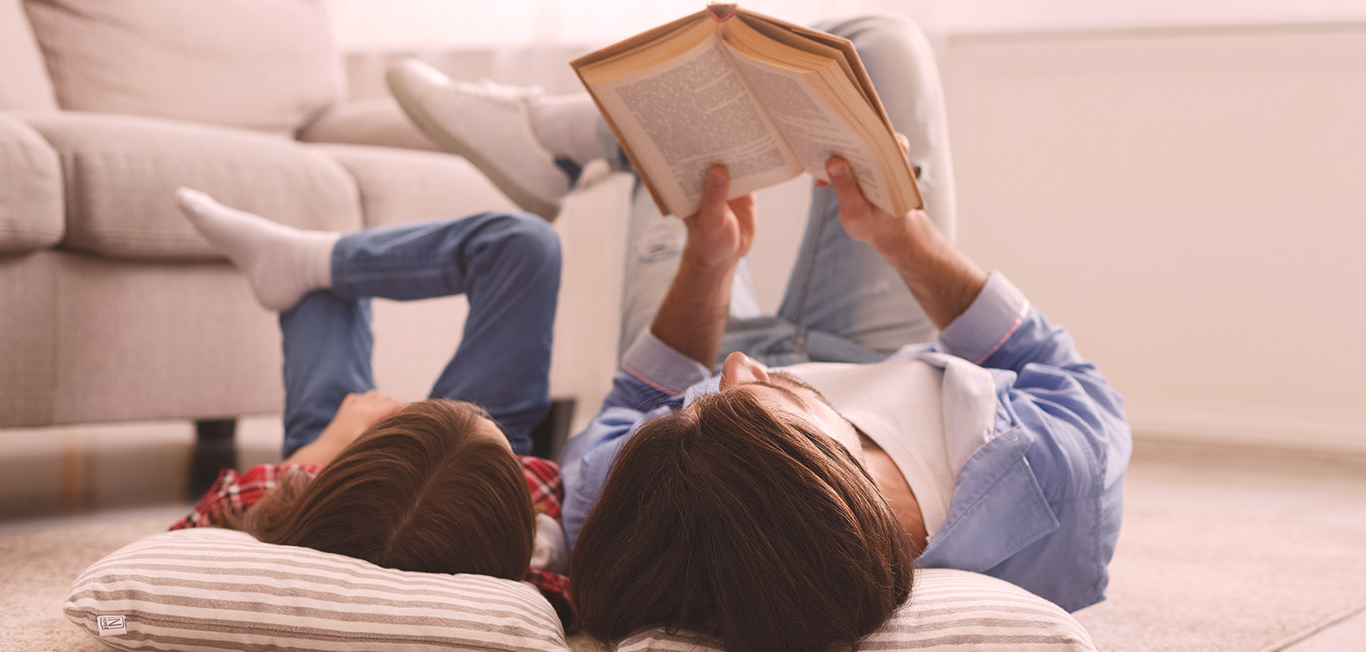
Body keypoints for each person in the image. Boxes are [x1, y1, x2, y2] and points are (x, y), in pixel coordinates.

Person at [387, 13, 1131, 652]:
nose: (736, 364)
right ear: (822, 464)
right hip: (880, 339)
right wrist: (908, 240)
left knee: (683, 150)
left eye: (699, 404)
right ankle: (586, 139)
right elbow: (1048, 360)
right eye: (746, 400)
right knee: (883, 42)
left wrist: (708, 264)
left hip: (703, 317)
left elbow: (638, 397)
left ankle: (563, 140)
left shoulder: (648, 502)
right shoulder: (1052, 485)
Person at [166, 189, 574, 624]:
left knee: (316, 292)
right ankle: (312, 259)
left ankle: (307, 260)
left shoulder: (288, 495)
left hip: (330, 464)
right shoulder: (536, 558)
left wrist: (324, 449)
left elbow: (177, 547)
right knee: (525, 244)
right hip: (451, 478)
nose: (469, 411)